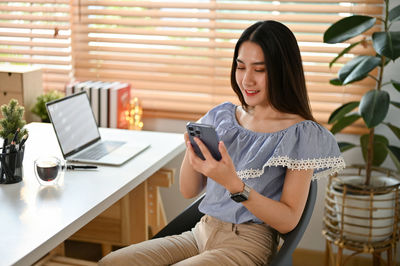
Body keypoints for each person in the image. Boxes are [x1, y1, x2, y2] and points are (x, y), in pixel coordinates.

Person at [99, 20, 345, 266]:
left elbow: (289, 220)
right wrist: (193, 152)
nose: (247, 80)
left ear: (283, 70)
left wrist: (234, 184)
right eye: (241, 67)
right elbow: (188, 191)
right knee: (112, 262)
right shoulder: (222, 117)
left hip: (248, 244)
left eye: (259, 70)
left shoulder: (302, 133)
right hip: (200, 232)